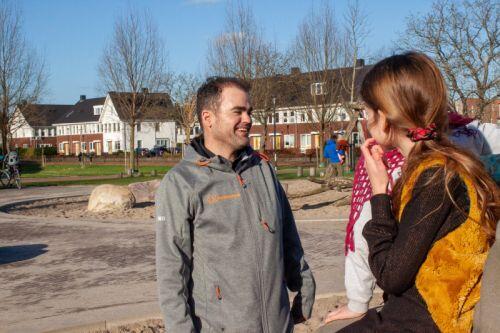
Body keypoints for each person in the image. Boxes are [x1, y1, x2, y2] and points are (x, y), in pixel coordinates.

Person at [336, 52, 499, 332]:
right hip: (415, 314)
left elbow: (390, 276)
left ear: (384, 118)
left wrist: (379, 193)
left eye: (367, 112)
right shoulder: (438, 165)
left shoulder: (437, 177)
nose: (365, 120)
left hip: (423, 321)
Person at [155, 77, 315, 332]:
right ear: (208, 118)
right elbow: (171, 270)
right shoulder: (181, 183)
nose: (248, 119)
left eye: (249, 111)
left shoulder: (263, 170)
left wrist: (305, 287)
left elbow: (289, 238)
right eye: (237, 112)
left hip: (278, 324)